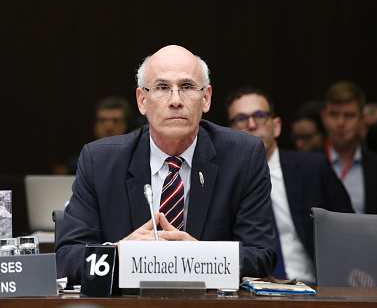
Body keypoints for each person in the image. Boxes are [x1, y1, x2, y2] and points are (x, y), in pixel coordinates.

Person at [55, 45, 277, 285]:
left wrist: (200, 255)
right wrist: (120, 252)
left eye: (187, 87)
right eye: (162, 88)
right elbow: (66, 260)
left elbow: (262, 255)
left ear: (206, 98)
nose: (175, 100)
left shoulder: (244, 156)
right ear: (142, 101)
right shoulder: (99, 161)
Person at [226, 87, 353, 285]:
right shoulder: (225, 180)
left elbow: (349, 228)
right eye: (241, 119)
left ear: (276, 126)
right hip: (250, 293)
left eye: (259, 116)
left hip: (314, 289)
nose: (251, 125)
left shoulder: (313, 168)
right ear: (229, 132)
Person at [320, 81, 377, 214]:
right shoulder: (305, 165)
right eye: (334, 114)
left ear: (362, 120)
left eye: (349, 115)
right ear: (324, 118)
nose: (340, 122)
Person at [65, 96, 133, 174]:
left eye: (116, 121)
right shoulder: (79, 163)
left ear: (126, 125)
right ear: (95, 126)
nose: (108, 127)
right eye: (103, 120)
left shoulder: (136, 161)